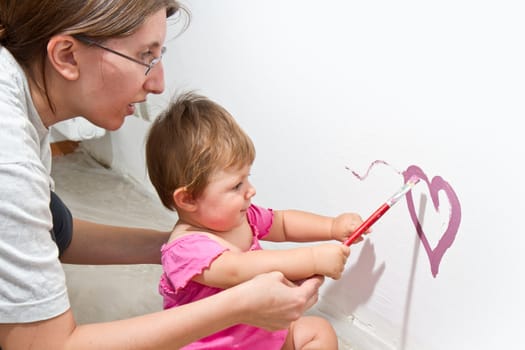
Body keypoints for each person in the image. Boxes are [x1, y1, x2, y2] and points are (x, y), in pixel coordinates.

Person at [0, 1, 328, 349]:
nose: (158, 83)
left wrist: (192, 249)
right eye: (145, 56)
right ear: (66, 56)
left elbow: (51, 232)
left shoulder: (20, 100)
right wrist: (238, 305)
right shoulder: (10, 160)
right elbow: (45, 345)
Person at [145, 92, 367, 349]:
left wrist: (331, 226)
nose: (250, 190)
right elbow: (239, 267)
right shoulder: (185, 249)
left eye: (247, 177)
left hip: (262, 334)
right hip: (216, 345)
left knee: (319, 331)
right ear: (188, 199)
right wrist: (313, 259)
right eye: (237, 185)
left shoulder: (241, 219)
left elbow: (281, 223)